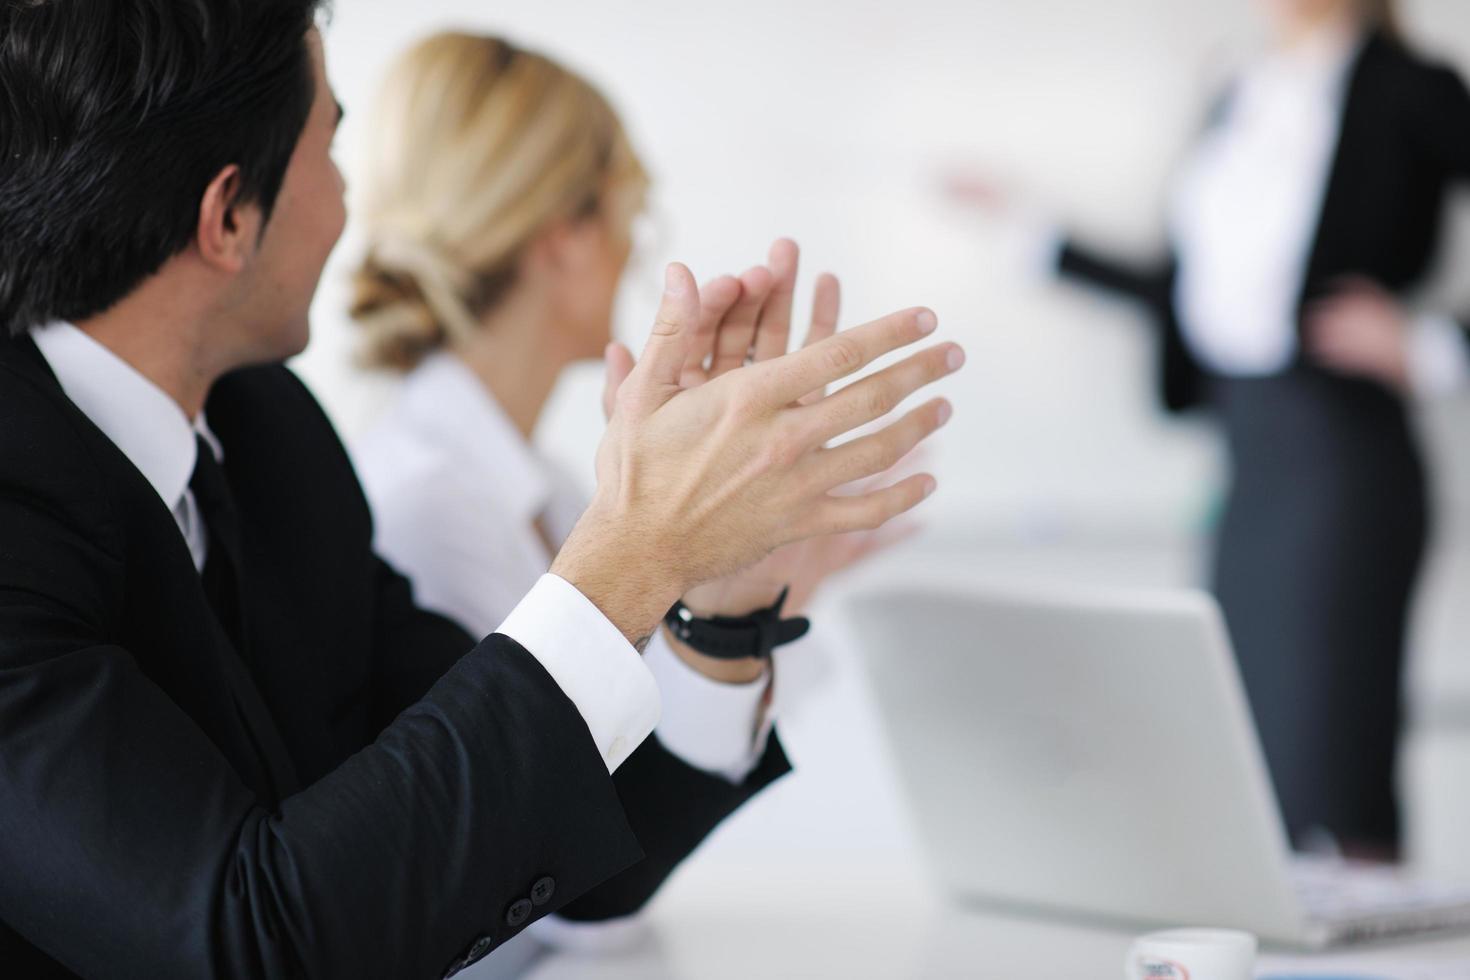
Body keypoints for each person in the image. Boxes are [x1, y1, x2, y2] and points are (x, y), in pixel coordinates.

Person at [0, 3, 963, 977]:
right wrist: (630, 551)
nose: (349, 202)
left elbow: (555, 846)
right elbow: (257, 938)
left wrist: (718, 608)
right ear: (227, 216)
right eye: (332, 144)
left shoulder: (267, 433)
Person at [950, 0, 1470, 856]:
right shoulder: (1238, 91)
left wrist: (1431, 345)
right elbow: (1191, 293)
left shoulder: (1411, 89)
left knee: (1331, 759)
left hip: (1344, 456)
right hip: (1247, 455)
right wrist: (1034, 233)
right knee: (1248, 750)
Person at [347, 37, 904, 832]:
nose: (638, 248)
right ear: (561, 241)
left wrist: (752, 592)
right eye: (628, 212)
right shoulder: (431, 507)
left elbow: (643, 787)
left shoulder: (550, 488)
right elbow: (557, 885)